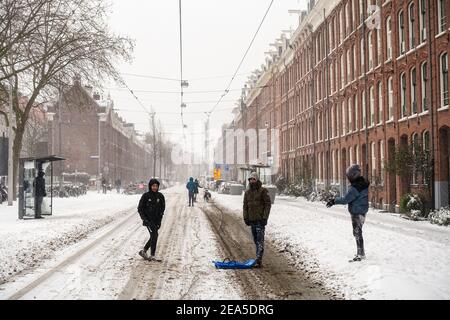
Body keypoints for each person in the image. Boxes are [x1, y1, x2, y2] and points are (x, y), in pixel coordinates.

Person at [326, 164, 370, 262]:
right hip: (362, 211)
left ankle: (360, 254)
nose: (348, 178)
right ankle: (360, 252)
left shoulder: (355, 188)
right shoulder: (362, 184)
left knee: (357, 232)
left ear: (353, 175)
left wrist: (334, 201)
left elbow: (345, 199)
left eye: (349, 175)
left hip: (356, 212)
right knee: (357, 232)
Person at [243, 172, 271, 268]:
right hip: (252, 220)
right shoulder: (247, 192)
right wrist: (245, 217)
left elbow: (268, 205)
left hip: (260, 220)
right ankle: (258, 258)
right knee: (256, 240)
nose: (252, 181)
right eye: (250, 179)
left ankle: (258, 260)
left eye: (253, 179)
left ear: (257, 180)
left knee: (260, 241)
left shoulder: (263, 191)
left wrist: (265, 218)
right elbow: (245, 206)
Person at [137, 178, 165, 261]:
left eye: (156, 186)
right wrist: (144, 219)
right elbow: (140, 208)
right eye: (153, 186)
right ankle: (152, 255)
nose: (155, 187)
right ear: (150, 186)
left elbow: (162, 208)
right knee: (154, 235)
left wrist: (160, 219)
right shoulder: (145, 196)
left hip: (156, 220)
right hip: (148, 220)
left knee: (154, 235)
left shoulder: (160, 196)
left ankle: (143, 251)